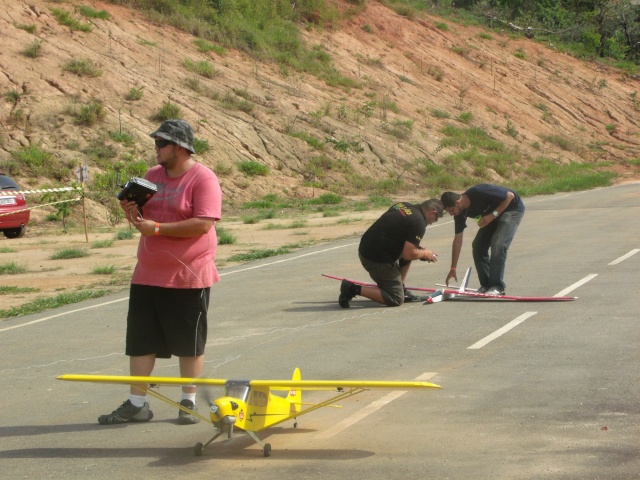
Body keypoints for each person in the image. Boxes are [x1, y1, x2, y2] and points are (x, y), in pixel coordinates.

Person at [99, 119, 223, 425]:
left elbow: (204, 223)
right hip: (148, 273)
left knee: (189, 343)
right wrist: (133, 214)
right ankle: (137, 403)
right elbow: (145, 222)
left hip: (188, 275)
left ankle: (188, 402)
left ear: (180, 148)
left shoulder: (203, 179)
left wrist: (156, 228)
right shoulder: (153, 176)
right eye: (156, 142)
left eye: (161, 144)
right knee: (141, 341)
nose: (155, 148)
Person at [339, 199, 443, 308]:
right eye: (435, 219)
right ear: (432, 213)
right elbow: (409, 254)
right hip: (376, 259)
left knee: (413, 250)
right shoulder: (419, 222)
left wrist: (420, 252)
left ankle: (400, 287)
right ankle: (351, 289)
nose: (432, 223)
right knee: (396, 298)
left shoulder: (403, 205)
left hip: (367, 247)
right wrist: (426, 253)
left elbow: (398, 236)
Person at [440, 184, 525, 295]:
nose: (451, 214)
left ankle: (497, 286)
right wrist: (453, 268)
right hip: (491, 216)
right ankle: (486, 284)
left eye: (451, 210)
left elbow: (509, 196)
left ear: (457, 202)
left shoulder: (479, 191)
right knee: (478, 246)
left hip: (512, 209)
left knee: (498, 244)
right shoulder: (460, 213)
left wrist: (492, 215)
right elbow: (457, 240)